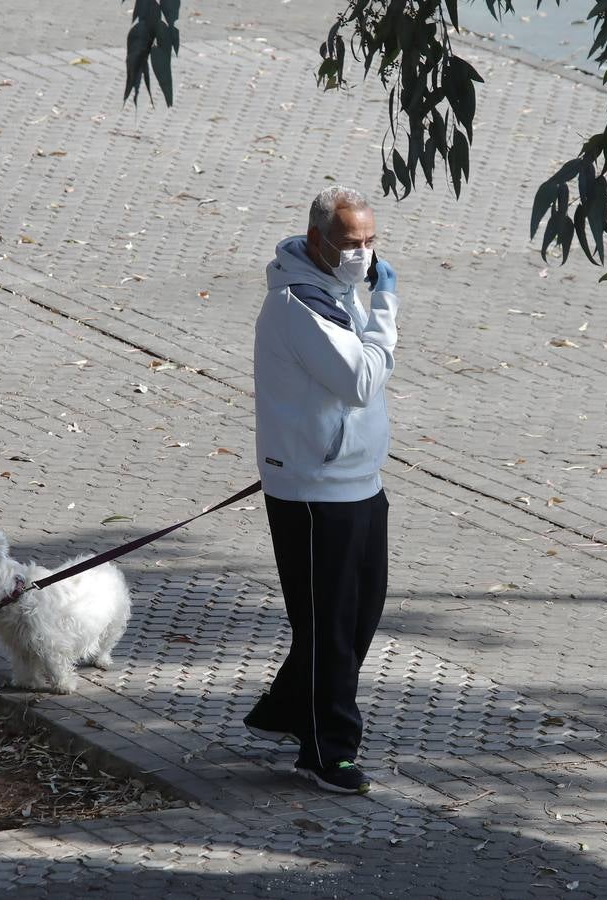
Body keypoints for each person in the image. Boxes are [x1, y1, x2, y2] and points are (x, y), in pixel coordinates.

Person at [246, 185, 399, 794]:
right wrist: (386, 302)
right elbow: (361, 380)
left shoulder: (337, 291)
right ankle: (327, 750)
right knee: (329, 625)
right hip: (314, 491)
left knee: (356, 615)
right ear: (317, 242)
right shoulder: (299, 305)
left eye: (370, 243)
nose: (363, 256)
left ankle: (286, 710)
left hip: (360, 481)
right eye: (350, 244)